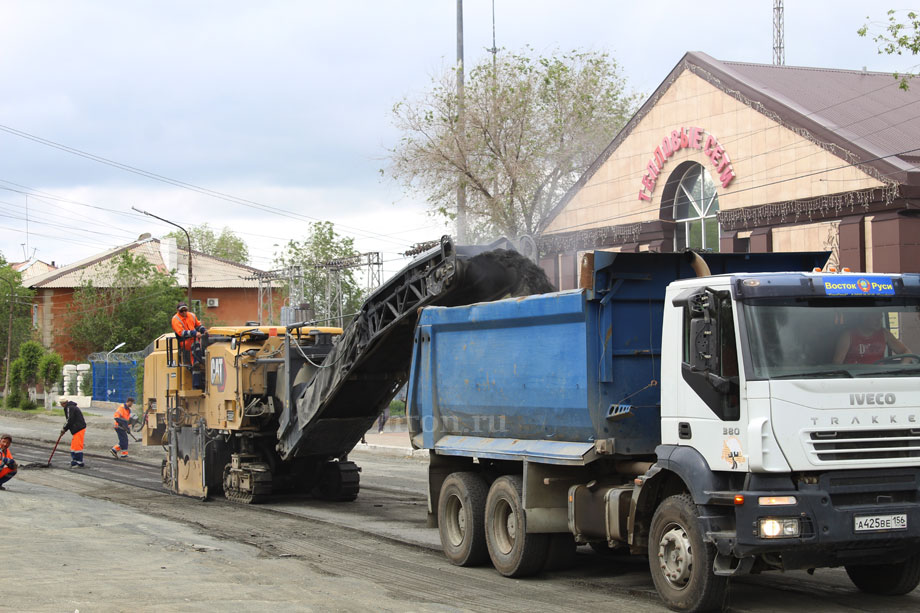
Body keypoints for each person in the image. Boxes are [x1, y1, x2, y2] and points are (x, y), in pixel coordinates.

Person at [833, 311, 913, 364]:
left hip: (879, 377)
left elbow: (907, 352)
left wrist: (901, 368)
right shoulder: (848, 335)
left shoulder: (884, 333)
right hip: (855, 378)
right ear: (864, 318)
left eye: (880, 318)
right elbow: (837, 364)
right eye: (876, 319)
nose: (879, 321)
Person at [59, 397, 87, 468]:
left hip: (79, 428)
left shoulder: (69, 408)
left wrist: (64, 429)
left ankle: (79, 462)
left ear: (63, 403)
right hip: (76, 429)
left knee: (77, 446)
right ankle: (74, 461)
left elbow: (69, 420)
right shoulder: (70, 407)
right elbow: (70, 420)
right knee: (74, 446)